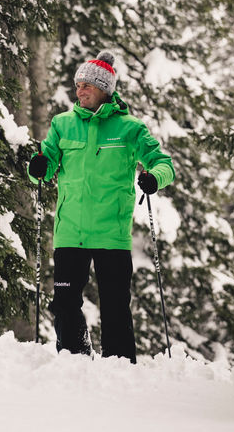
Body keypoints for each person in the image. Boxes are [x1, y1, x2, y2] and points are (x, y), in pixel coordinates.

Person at [27, 49, 174, 363]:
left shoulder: (130, 128)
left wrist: (154, 178)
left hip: (112, 232)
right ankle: (75, 359)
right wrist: (39, 166)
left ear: (105, 89)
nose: (80, 91)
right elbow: (48, 161)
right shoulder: (62, 124)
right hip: (70, 231)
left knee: (115, 307)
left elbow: (163, 163)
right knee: (64, 303)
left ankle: (120, 367)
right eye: (78, 85)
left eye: (87, 85)